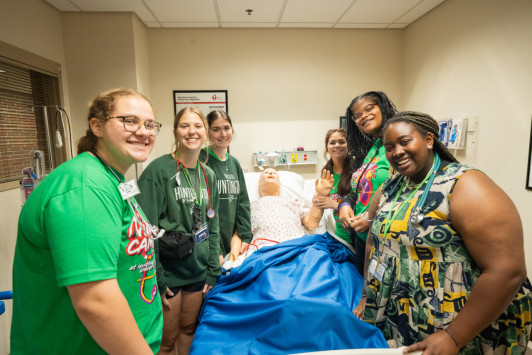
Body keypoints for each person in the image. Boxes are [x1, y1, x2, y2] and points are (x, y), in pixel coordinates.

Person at [356, 111, 532, 354]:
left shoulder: (465, 185)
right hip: (403, 313)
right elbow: (373, 243)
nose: (397, 152)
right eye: (389, 147)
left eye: (405, 142)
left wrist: (453, 336)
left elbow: (508, 271)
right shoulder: (393, 187)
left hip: (461, 325)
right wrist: (367, 294)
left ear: (429, 140)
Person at [10, 88, 164, 354]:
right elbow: (95, 301)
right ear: (97, 126)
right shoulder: (86, 187)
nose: (143, 131)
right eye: (129, 120)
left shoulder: (112, 180)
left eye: (150, 124)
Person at [136, 107, 220, 355]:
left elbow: (212, 226)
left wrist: (213, 270)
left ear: (205, 132)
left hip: (197, 271)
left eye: (198, 126)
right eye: (185, 126)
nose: (192, 132)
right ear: (175, 131)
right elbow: (145, 231)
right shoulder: (158, 171)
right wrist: (158, 279)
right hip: (168, 274)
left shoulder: (209, 175)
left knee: (188, 331)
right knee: (166, 341)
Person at [223, 168, 333, 270]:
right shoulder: (250, 206)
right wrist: (233, 256)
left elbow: (312, 224)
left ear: (280, 183)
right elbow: (238, 234)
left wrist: (320, 195)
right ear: (259, 183)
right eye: (266, 173)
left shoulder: (293, 202)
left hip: (296, 248)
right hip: (264, 252)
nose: (270, 173)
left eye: (274, 173)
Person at [338, 91, 398, 275]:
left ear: (384, 107)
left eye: (369, 108)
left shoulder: (396, 145)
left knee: (377, 295)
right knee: (363, 293)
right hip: (362, 236)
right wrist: (345, 204)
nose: (363, 116)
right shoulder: (373, 148)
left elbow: (401, 190)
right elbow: (359, 189)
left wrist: (371, 218)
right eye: (357, 115)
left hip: (385, 236)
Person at [199, 110, 252, 263]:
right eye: (216, 129)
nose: (223, 134)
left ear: (232, 130)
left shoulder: (234, 163)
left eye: (226, 128)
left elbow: (242, 202)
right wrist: (213, 248)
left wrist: (245, 235)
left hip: (232, 238)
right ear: (208, 132)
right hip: (209, 238)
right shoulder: (202, 159)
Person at [313, 128, 354, 243]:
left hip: (354, 232)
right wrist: (319, 198)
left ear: (347, 145)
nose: (337, 145)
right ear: (327, 148)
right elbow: (326, 198)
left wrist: (336, 205)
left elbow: (363, 204)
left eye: (341, 142)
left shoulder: (357, 171)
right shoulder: (326, 172)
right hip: (337, 233)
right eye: (332, 142)